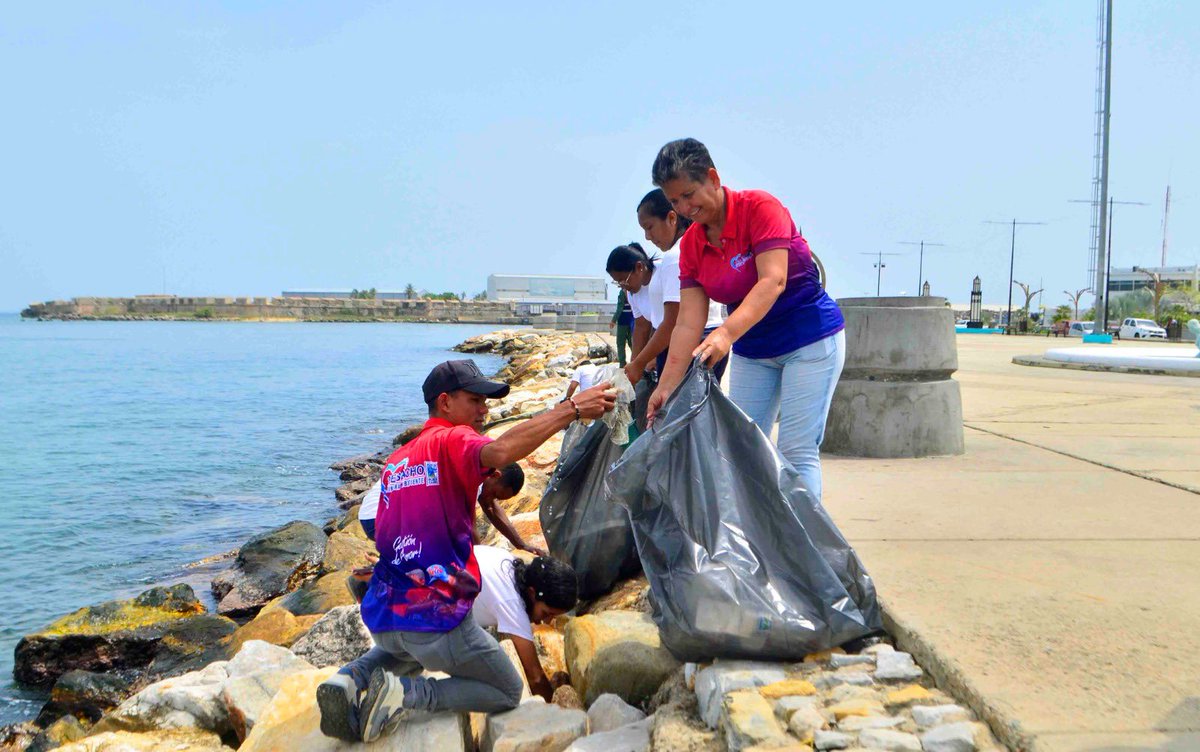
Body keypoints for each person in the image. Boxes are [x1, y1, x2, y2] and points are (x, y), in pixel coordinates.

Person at [317, 359, 615, 743]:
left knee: (410, 649)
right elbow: (503, 450)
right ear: (445, 403)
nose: (484, 410)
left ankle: (351, 677)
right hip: (436, 623)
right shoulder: (452, 439)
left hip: (383, 620)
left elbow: (389, 536)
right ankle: (405, 695)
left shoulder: (396, 462)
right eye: (475, 400)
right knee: (506, 689)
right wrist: (571, 409)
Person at [646, 138, 845, 505]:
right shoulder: (691, 246)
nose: (686, 208)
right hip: (756, 351)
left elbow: (773, 280)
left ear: (713, 177)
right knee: (741, 452)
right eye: (675, 202)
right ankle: (759, 543)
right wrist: (666, 386)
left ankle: (804, 552)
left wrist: (725, 334)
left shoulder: (759, 208)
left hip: (810, 340)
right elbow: (688, 323)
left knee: (796, 452)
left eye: (690, 194)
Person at [350, 464, 542, 602]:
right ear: (495, 475)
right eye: (495, 494)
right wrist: (481, 569)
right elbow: (469, 529)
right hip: (379, 518)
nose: (491, 499)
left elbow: (491, 507)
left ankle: (377, 576)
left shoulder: (481, 475)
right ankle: (367, 583)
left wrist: (521, 544)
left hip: (384, 515)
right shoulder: (467, 477)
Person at [635, 188, 730, 383]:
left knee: (681, 411)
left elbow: (672, 321)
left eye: (649, 227)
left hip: (687, 344)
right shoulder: (693, 247)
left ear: (671, 218)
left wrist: (638, 362)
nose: (647, 236)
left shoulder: (675, 256)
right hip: (703, 339)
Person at [605, 241, 678, 385]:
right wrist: (634, 362)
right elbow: (641, 327)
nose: (622, 286)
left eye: (623, 280)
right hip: (663, 340)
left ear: (639, 267)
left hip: (682, 339)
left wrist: (650, 358)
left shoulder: (664, 273)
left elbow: (672, 323)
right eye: (618, 283)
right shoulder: (632, 293)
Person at [608, 288, 634, 366]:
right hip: (632, 320)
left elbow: (620, 308)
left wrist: (613, 320)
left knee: (620, 343)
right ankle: (635, 361)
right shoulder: (633, 291)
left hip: (623, 321)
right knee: (632, 342)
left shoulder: (622, 292)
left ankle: (622, 363)